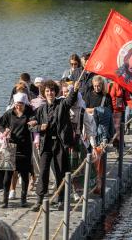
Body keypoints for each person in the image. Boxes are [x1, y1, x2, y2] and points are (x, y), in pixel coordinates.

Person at [29, 80, 79, 211]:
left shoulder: (62, 104)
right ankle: (39, 200)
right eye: (47, 91)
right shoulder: (40, 110)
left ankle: (61, 199)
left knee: (60, 172)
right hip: (46, 144)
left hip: (60, 143)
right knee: (43, 171)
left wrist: (75, 90)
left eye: (51, 91)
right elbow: (31, 126)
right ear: (44, 93)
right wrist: (40, 127)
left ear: (55, 92)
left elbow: (70, 100)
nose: (49, 93)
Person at [0, 93, 35, 208]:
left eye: (21, 104)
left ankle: (23, 199)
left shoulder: (30, 113)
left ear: (25, 104)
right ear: (14, 103)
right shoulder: (9, 113)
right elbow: (0, 124)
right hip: (9, 146)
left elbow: (35, 120)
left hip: (25, 147)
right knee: (7, 175)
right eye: (17, 104)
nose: (19, 106)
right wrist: (4, 131)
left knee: (24, 174)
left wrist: (34, 122)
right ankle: (5, 200)